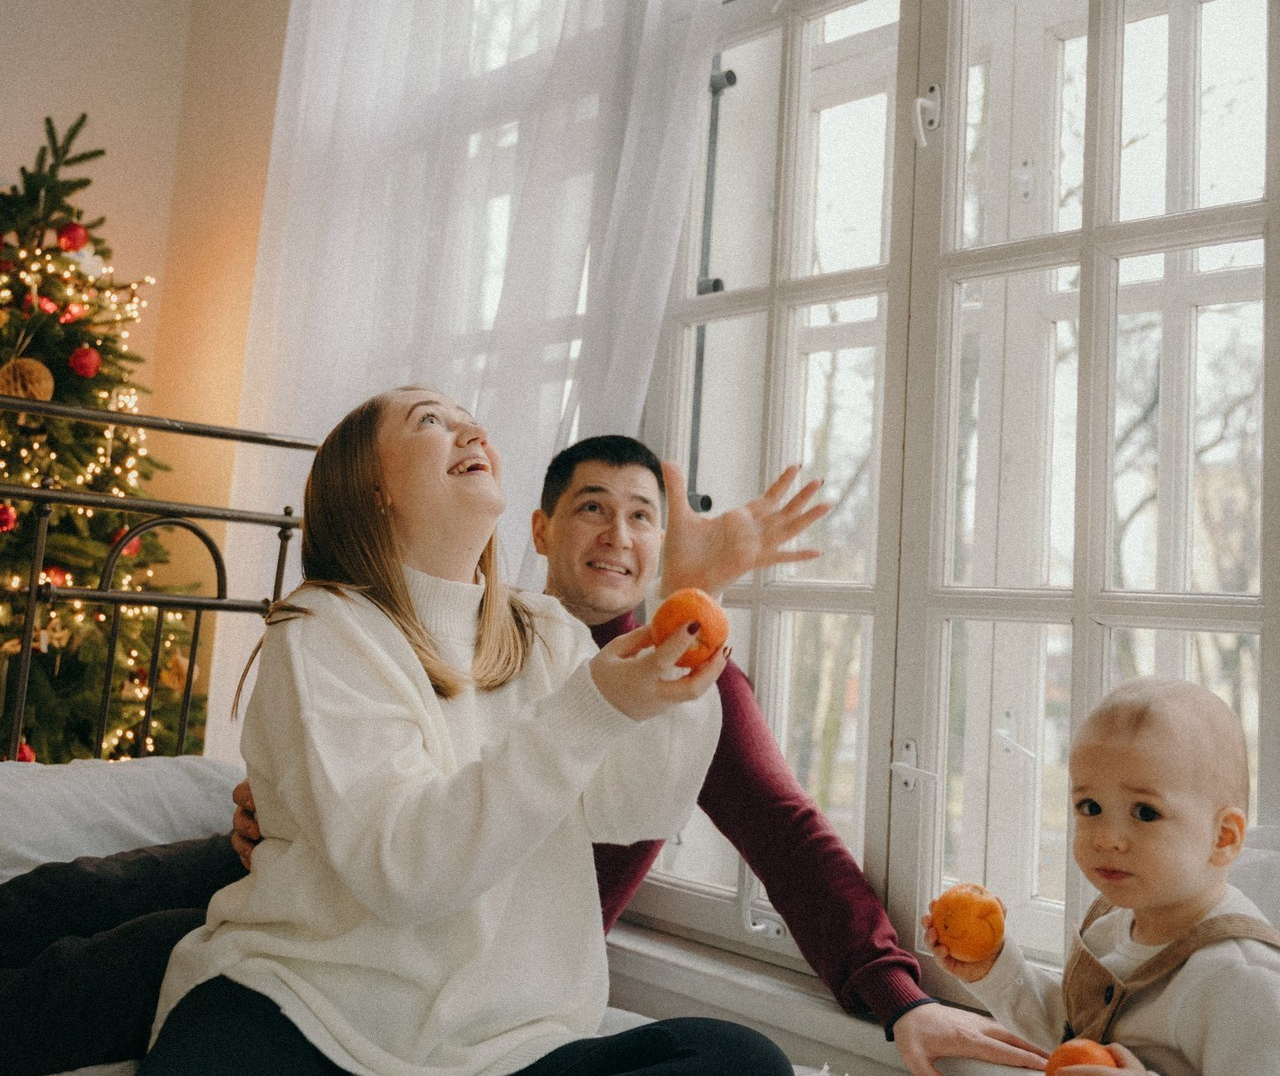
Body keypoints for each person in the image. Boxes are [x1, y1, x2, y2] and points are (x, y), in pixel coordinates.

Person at [0, 431, 1044, 1076]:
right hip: (324, 887)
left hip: (483, 953)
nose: (619, 533)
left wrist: (897, 990)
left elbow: (788, 833)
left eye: (643, 515)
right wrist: (282, 790)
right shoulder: (415, 626)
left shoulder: (682, 676)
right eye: (592, 505)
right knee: (92, 898)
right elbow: (371, 794)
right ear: (542, 527)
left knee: (132, 951)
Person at [139, 386, 793, 1076]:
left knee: (744, 1061)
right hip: (310, 1014)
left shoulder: (545, 631)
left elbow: (638, 807)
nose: (472, 431)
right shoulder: (322, 629)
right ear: (373, 489)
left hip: (504, 1048)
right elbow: (404, 870)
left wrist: (688, 609)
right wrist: (588, 709)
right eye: (430, 421)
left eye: (470, 421)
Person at [924, 677, 1280, 1076]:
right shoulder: (1110, 926)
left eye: (1145, 812)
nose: (1107, 838)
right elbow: (1073, 1033)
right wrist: (995, 969)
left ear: (1223, 838)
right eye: (1090, 806)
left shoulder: (1243, 981)